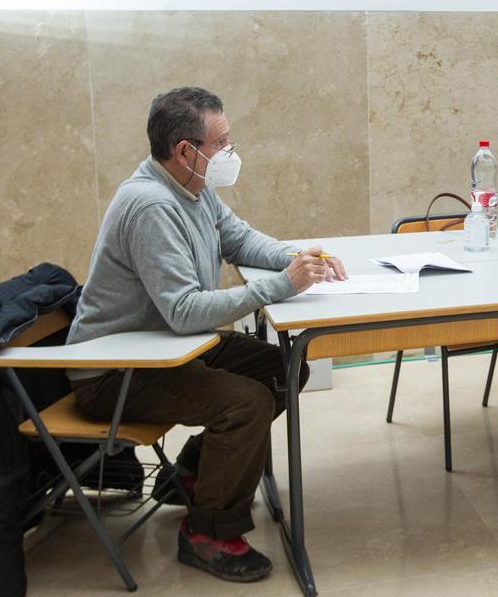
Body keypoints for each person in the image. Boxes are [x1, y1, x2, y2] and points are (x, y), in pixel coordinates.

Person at [66, 87, 347, 582]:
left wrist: (298, 256)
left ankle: (194, 474)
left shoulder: (192, 186)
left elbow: (237, 236)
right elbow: (183, 311)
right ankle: (208, 531)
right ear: (184, 150)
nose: (230, 154)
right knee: (246, 403)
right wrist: (281, 286)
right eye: (222, 143)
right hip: (117, 371)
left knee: (283, 367)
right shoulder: (151, 206)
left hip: (165, 350)